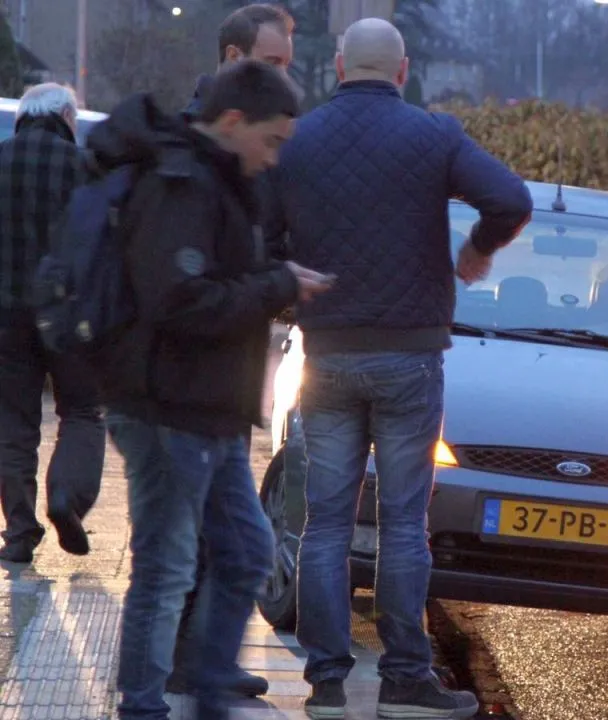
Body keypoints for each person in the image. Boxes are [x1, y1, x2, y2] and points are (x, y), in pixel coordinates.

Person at [261, 17, 531, 720]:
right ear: (403, 72)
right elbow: (510, 199)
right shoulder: (434, 136)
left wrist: (290, 277)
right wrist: (475, 250)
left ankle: (324, 682)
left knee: (323, 524)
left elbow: (258, 237)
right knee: (404, 525)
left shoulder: (300, 138)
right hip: (411, 356)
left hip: (328, 356)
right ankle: (407, 677)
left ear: (341, 68)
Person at [88, 61, 333, 719]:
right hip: (167, 407)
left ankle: (209, 685)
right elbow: (181, 302)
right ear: (232, 123)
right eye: (272, 141)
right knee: (165, 568)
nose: (275, 156)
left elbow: (221, 283)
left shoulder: (223, 181)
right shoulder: (181, 185)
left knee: (247, 552)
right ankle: (143, 707)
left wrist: (275, 279)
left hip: (210, 412)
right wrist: (276, 284)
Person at [167, 2, 296, 699]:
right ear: (230, 59)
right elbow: (202, 273)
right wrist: (277, 278)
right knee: (199, 542)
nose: (284, 78)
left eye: (287, 64)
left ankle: (197, 663)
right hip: (191, 379)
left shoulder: (249, 144)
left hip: (228, 371)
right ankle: (180, 670)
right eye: (270, 63)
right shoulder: (203, 147)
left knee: (223, 541)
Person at [0, 83, 105, 565]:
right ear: (66, 116)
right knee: (82, 411)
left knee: (13, 420)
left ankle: (20, 532)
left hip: (5, 314)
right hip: (70, 314)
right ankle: (67, 498)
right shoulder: (85, 169)